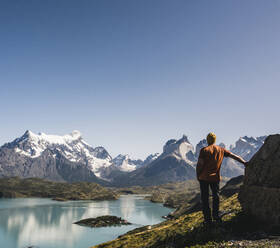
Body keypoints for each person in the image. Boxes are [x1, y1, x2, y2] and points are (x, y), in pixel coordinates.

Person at [196, 132, 247, 225]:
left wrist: (198, 175)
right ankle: (216, 215)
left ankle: (207, 220)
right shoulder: (221, 150)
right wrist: (244, 162)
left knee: (205, 198)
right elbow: (234, 156)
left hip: (204, 178)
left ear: (207, 140)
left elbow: (200, 164)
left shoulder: (204, 150)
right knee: (216, 196)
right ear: (215, 140)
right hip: (215, 178)